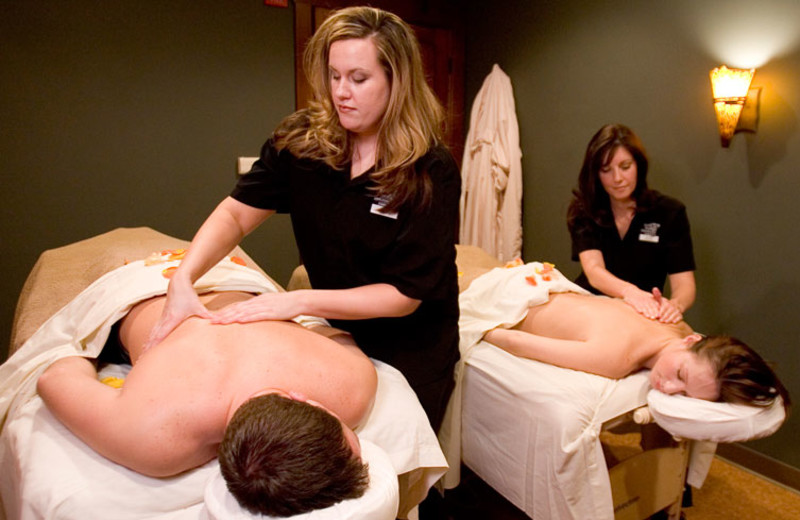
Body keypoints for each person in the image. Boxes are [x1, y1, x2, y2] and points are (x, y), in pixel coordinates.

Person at [145, 6, 460, 435]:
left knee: (396, 455)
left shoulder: (430, 169)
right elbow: (237, 213)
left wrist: (298, 301)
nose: (341, 92)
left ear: (396, 80)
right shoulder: (304, 144)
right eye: (334, 76)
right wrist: (184, 278)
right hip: (336, 332)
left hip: (413, 342)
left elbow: (404, 295)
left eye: (359, 78)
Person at [37, 290, 378, 517]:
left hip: (239, 281)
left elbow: (58, 374)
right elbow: (55, 375)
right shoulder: (151, 437)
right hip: (143, 287)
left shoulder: (351, 385)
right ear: (303, 400)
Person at [482, 291, 790, 410]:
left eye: (684, 394)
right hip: (508, 294)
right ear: (692, 341)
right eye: (680, 374)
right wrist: (474, 329)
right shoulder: (615, 359)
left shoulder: (676, 322)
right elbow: (516, 343)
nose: (668, 388)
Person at [567, 124, 696, 324]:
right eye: (606, 170)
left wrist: (675, 305)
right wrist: (630, 292)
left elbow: (685, 285)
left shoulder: (670, 213)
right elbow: (594, 271)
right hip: (590, 307)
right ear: (596, 174)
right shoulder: (585, 211)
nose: (617, 178)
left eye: (625, 167)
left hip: (641, 314)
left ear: (638, 166)